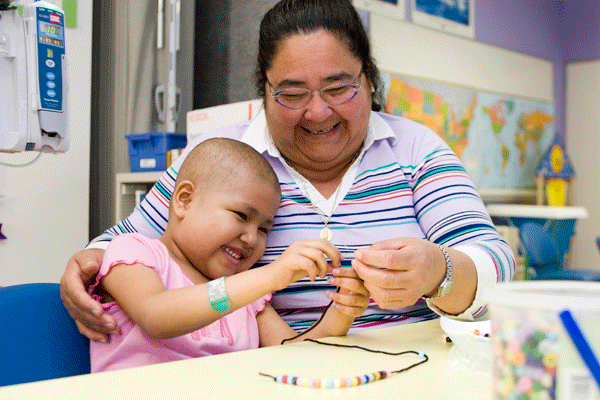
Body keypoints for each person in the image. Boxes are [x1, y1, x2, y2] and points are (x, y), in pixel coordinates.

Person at [61, 0, 515, 344]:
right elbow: (124, 242)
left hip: (415, 367)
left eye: (339, 88)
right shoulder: (222, 155)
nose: (318, 113)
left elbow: (496, 265)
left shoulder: (417, 149)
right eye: (292, 94)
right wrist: (84, 266)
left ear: (369, 80)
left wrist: (440, 271)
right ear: (264, 89)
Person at [89, 137, 369, 372]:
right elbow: (156, 316)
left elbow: (292, 355)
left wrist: (340, 314)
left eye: (263, 229)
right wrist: (270, 275)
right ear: (185, 201)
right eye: (241, 215)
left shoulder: (248, 292)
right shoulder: (133, 251)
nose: (251, 238)